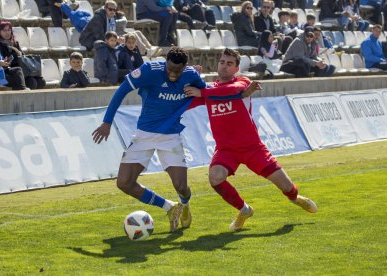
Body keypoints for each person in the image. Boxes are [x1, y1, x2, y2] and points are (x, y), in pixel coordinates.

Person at [91, 47, 246, 232]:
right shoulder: (150, 70)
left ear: (184, 68)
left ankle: (185, 204)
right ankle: (169, 207)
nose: (173, 74)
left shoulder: (190, 76)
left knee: (181, 186)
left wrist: (241, 93)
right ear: (166, 63)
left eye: (177, 71)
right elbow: (121, 91)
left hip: (171, 136)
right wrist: (107, 122)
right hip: (144, 135)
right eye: (170, 69)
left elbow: (210, 94)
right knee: (124, 183)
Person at [183, 48, 318, 232]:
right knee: (215, 178)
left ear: (237, 68)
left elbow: (234, 90)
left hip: (253, 148)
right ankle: (244, 210)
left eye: (229, 64)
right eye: (222, 62)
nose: (224, 66)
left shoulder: (242, 82)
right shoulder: (209, 91)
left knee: (287, 186)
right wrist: (188, 81)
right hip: (226, 150)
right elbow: (186, 102)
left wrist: (202, 92)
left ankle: (296, 198)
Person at [0, 21, 46, 90]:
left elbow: (23, 58)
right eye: (4, 30)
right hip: (10, 71)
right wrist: (10, 58)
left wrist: (19, 54)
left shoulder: (15, 43)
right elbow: (1, 61)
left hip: (22, 70)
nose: (7, 32)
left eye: (9, 30)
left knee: (41, 82)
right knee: (31, 82)